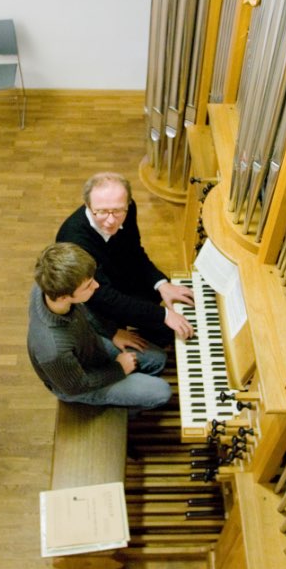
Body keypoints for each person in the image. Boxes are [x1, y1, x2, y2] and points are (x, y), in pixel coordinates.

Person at [27, 242, 171, 416]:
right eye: (88, 285)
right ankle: (121, 412)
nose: (96, 285)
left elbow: (84, 312)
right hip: (79, 384)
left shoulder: (47, 287)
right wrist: (119, 368)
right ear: (64, 297)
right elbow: (76, 385)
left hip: (90, 346)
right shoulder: (51, 350)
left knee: (158, 359)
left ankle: (133, 389)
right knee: (161, 392)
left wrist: (113, 333)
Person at [56, 172, 195, 348]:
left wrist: (161, 284)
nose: (111, 221)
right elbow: (102, 297)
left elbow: (134, 251)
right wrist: (164, 315)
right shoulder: (73, 241)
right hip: (94, 298)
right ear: (88, 205)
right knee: (164, 325)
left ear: (127, 204)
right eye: (102, 212)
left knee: (165, 303)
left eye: (118, 211)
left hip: (115, 277)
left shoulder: (128, 210)